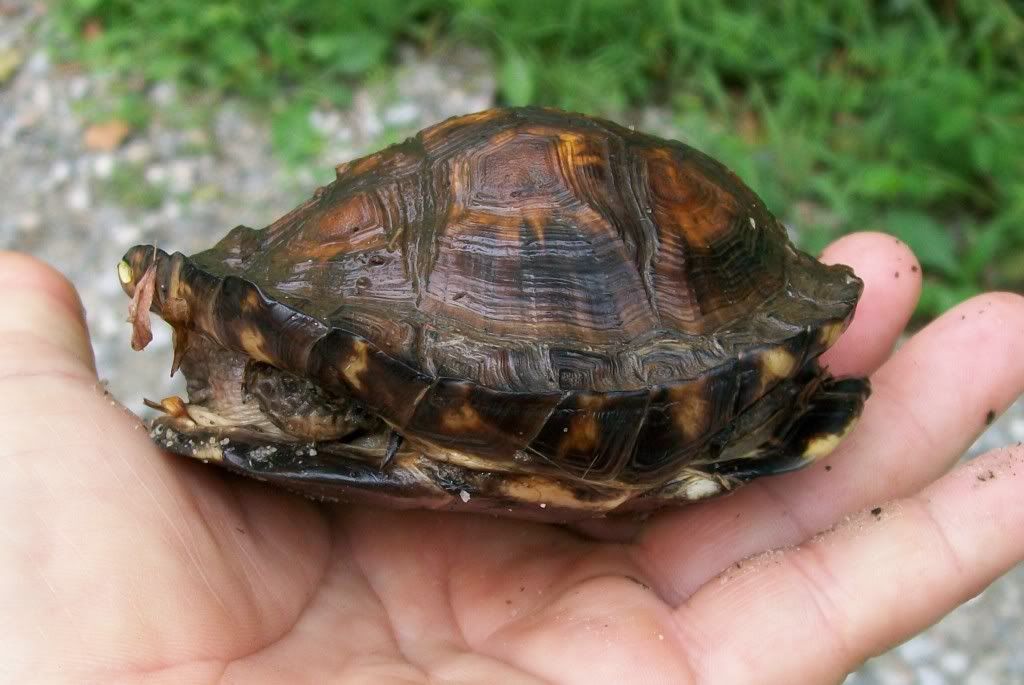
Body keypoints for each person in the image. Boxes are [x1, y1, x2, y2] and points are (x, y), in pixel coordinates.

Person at [1, 233, 1022, 684]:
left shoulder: (334, 364)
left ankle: (759, 409)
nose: (207, 378)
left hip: (673, 369)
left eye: (230, 365)